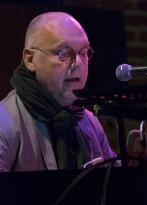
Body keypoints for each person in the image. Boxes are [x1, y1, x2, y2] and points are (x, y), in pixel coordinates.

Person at [0, 11, 116, 172]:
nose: (78, 64)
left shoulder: (89, 121)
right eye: (64, 53)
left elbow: (114, 187)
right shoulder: (4, 122)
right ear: (30, 59)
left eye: (83, 53)